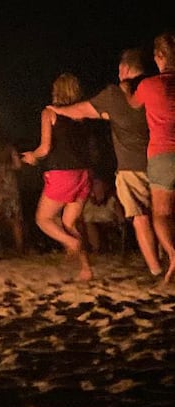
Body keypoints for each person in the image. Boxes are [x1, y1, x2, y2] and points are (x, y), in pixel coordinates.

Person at [48, 48, 161, 277]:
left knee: (141, 218)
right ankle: (168, 260)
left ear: (124, 69)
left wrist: (56, 109)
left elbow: (81, 110)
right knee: (164, 215)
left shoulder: (114, 95)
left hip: (132, 165)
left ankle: (156, 270)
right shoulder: (156, 88)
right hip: (161, 159)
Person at [22, 73, 94, 281]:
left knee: (43, 219)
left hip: (62, 174)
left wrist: (32, 156)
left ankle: (71, 244)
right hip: (84, 174)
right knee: (69, 224)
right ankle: (86, 269)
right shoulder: (83, 114)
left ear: (56, 90)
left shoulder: (49, 112)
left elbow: (45, 148)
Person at [129, 31, 175, 285]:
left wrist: (127, 85)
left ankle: (172, 254)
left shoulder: (149, 85)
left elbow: (133, 105)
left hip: (162, 154)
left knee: (161, 214)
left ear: (159, 56)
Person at [81, 176, 124, 253]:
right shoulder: (85, 201)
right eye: (93, 184)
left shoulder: (113, 200)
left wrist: (120, 223)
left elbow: (121, 219)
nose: (94, 187)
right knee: (89, 225)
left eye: (97, 184)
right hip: (91, 224)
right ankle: (95, 249)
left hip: (109, 223)